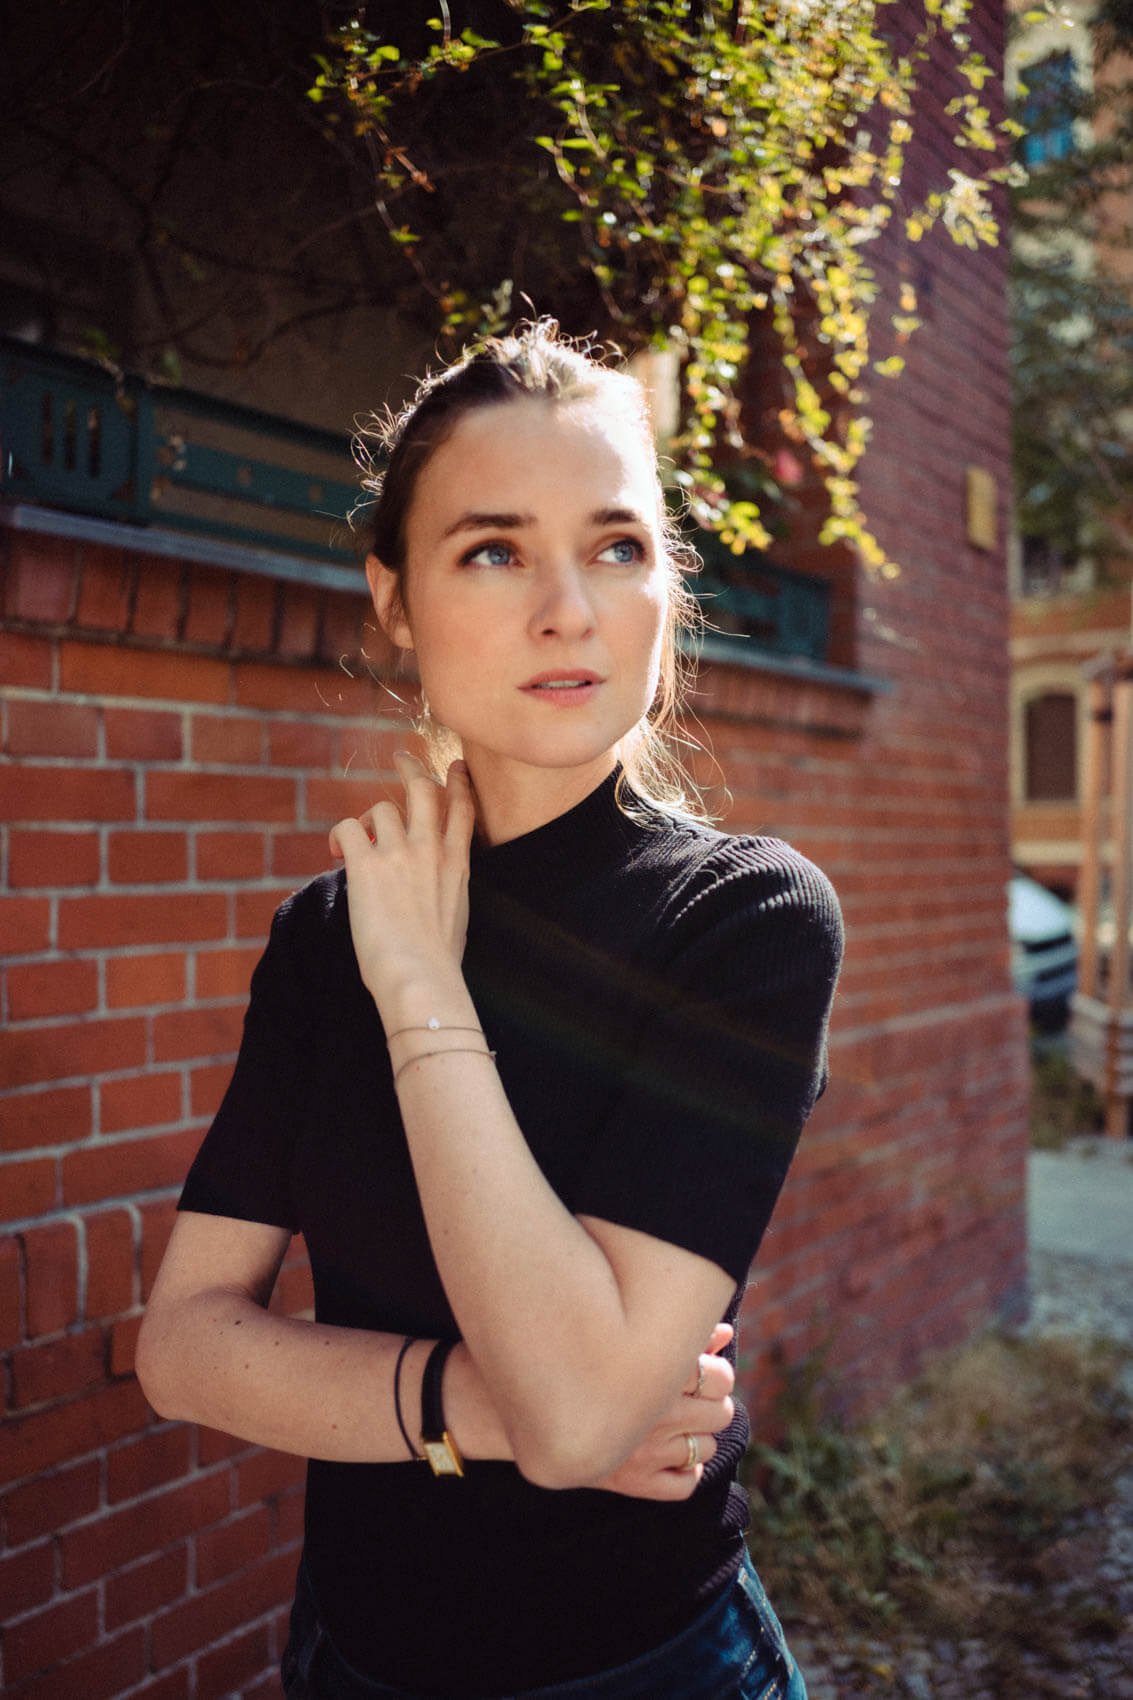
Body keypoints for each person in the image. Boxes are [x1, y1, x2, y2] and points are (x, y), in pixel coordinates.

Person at [136, 319, 843, 1700]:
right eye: (494, 549)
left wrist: (420, 993)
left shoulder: (742, 922)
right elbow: (181, 1349)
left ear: (664, 585)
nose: (567, 607)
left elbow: (583, 1414)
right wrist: (475, 1405)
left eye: (617, 545)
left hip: (644, 1665)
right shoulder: (328, 930)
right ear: (392, 599)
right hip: (351, 1653)